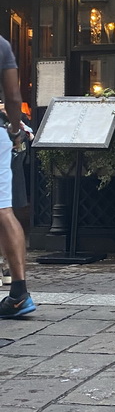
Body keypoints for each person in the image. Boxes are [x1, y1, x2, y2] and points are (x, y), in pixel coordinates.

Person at [0, 35, 35, 318]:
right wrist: (14, 130)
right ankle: (19, 293)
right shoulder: (1, 45)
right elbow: (13, 97)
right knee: (4, 210)